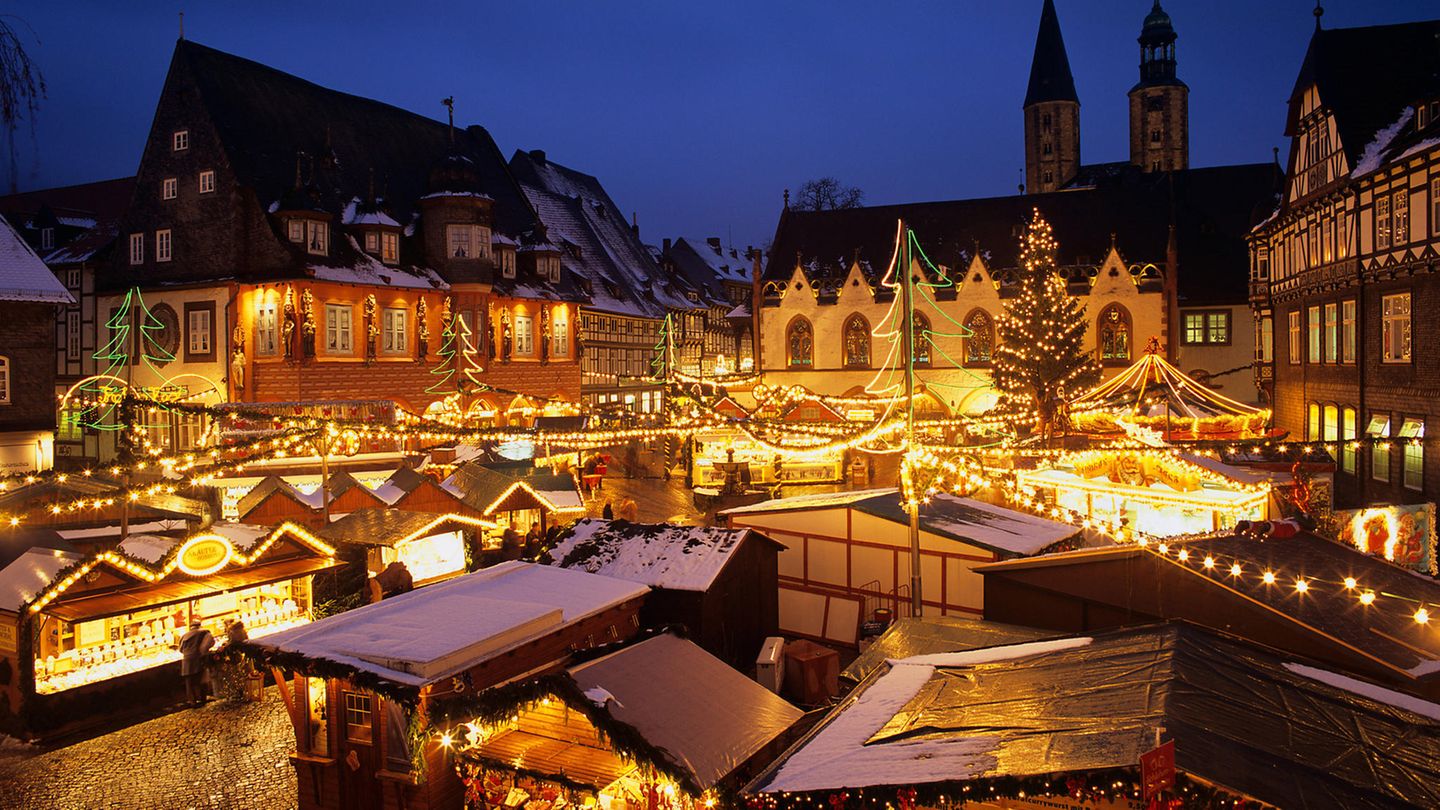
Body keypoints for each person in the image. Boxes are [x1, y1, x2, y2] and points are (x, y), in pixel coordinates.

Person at [178, 620, 215, 707]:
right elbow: (211, 642)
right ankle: (203, 698)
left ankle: (192, 701)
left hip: (186, 660)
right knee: (201, 679)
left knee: (189, 681)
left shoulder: (184, 635)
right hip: (197, 658)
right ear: (199, 626)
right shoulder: (203, 632)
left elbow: (180, 649)